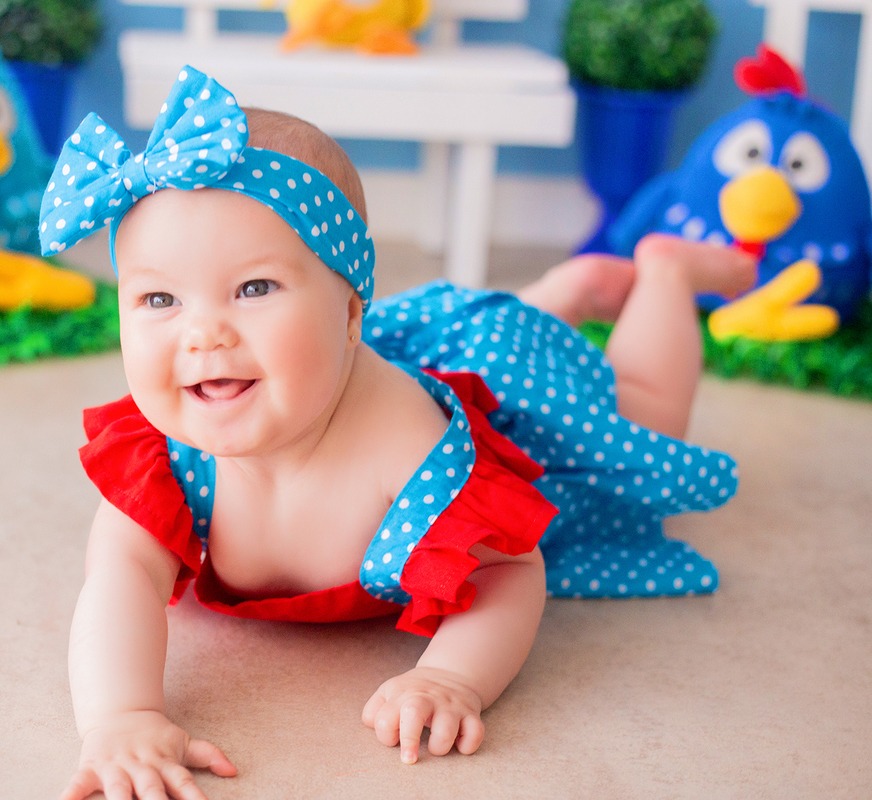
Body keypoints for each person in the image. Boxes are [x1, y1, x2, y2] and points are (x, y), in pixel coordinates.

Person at [40, 67, 752, 800]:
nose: (203, 333)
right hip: (374, 353)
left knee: (640, 417)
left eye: (254, 288)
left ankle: (664, 274)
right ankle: (563, 292)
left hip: (496, 382)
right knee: (471, 330)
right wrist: (120, 716)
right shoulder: (164, 452)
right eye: (159, 297)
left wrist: (452, 676)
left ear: (350, 314)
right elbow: (119, 576)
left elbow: (510, 569)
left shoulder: (407, 450)